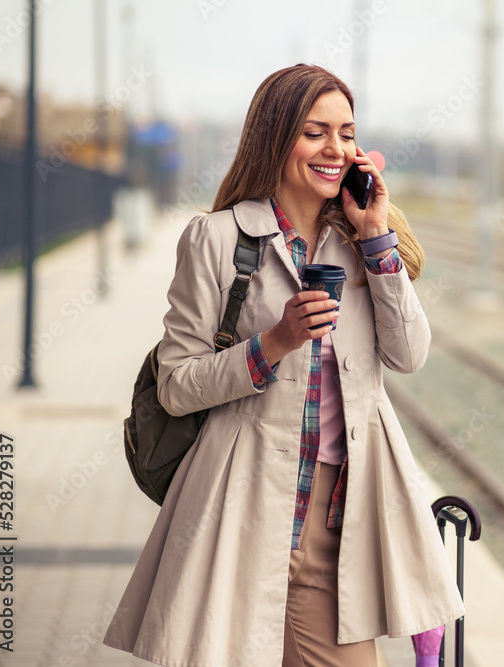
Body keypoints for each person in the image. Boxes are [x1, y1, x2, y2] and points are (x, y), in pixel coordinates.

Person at [103, 64, 464, 667]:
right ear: (275, 138)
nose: (335, 149)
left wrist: (377, 237)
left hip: (341, 515)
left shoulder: (363, 243)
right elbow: (174, 386)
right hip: (241, 503)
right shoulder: (215, 240)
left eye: (346, 134)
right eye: (315, 131)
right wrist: (272, 344)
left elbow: (409, 354)